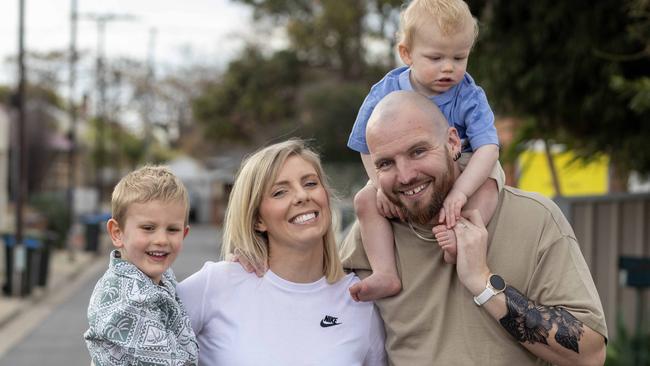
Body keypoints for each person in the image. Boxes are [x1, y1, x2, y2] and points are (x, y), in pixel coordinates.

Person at [341, 91, 608, 365]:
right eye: (386, 163)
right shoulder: (372, 238)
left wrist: (483, 282)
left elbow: (590, 354)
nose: (406, 175)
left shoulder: (533, 218)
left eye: (418, 151)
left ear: (453, 142)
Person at [177, 139, 386, 365]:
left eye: (310, 183)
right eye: (279, 192)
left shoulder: (358, 299)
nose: (302, 196)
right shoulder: (215, 285)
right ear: (257, 220)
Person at [347, 0, 503, 301]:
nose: (449, 67)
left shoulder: (469, 95)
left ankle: (462, 239)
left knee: (488, 185)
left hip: (463, 160)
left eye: (460, 57)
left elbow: (488, 148)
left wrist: (460, 191)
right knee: (364, 201)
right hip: (396, 166)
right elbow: (366, 145)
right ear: (407, 54)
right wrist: (381, 186)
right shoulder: (385, 91)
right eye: (435, 57)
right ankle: (385, 273)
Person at [84, 166, 198, 366]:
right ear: (117, 233)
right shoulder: (128, 300)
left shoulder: (157, 278)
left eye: (172, 229)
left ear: (184, 234)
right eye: (148, 228)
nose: (162, 239)